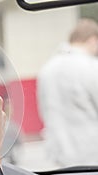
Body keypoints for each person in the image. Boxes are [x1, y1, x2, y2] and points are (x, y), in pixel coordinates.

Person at [37, 18, 98, 166]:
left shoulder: (47, 69)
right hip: (91, 156)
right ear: (92, 40)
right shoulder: (91, 66)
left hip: (59, 159)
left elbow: (43, 112)